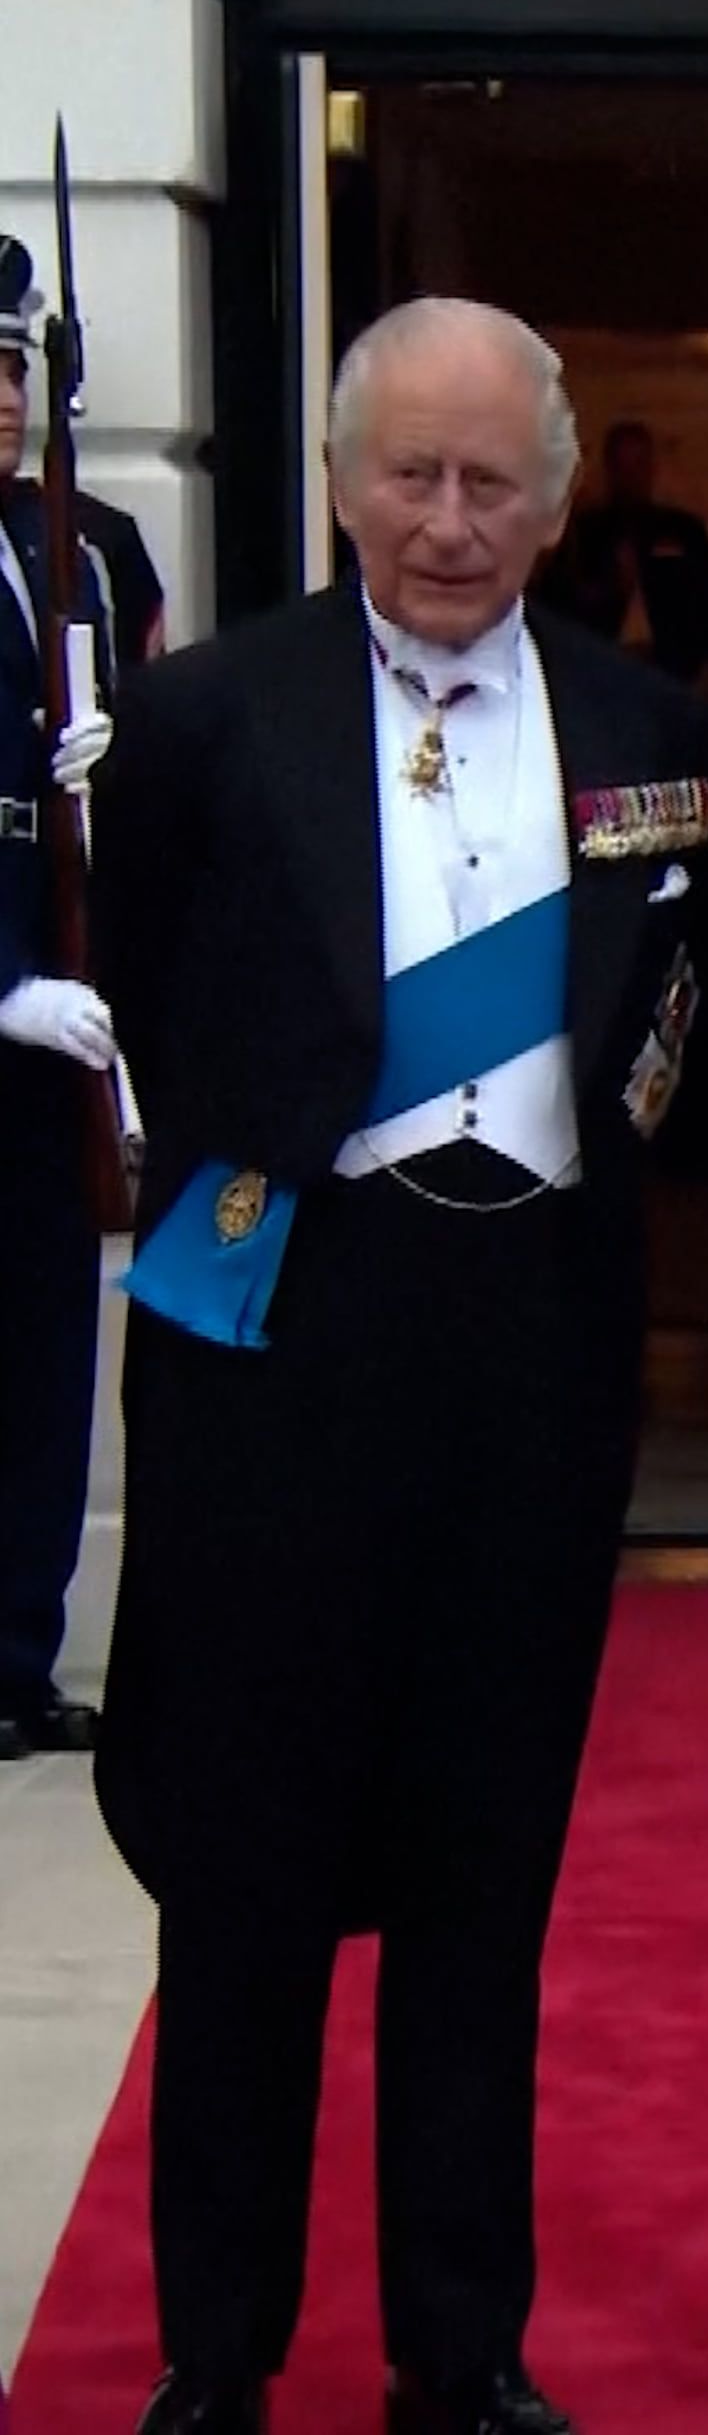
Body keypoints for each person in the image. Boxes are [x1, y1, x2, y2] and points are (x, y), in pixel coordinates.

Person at [88, 299, 708, 2435]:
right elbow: (168, 1017)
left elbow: (681, 1015)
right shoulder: (198, 722)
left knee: (484, 1874)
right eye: (410, 476)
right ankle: (220, 2353)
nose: (449, 522)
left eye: (492, 483)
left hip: (531, 1344)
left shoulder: (653, 729)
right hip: (289, 1334)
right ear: (342, 477)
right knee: (248, 1879)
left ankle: (461, 2348)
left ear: (556, 499)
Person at [0, 233, 136, 1761]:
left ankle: (16, 1652)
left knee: (45, 1353)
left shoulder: (73, 549)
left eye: (16, 370)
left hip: (53, 1009)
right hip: (1, 991)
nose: (4, 397)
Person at [539, 418, 708, 684]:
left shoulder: (683, 531)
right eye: (622, 466)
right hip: (598, 676)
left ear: (651, 468)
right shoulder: (581, 534)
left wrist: (678, 649)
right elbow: (553, 613)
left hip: (669, 677)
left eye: (638, 465)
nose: (630, 477)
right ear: (609, 469)